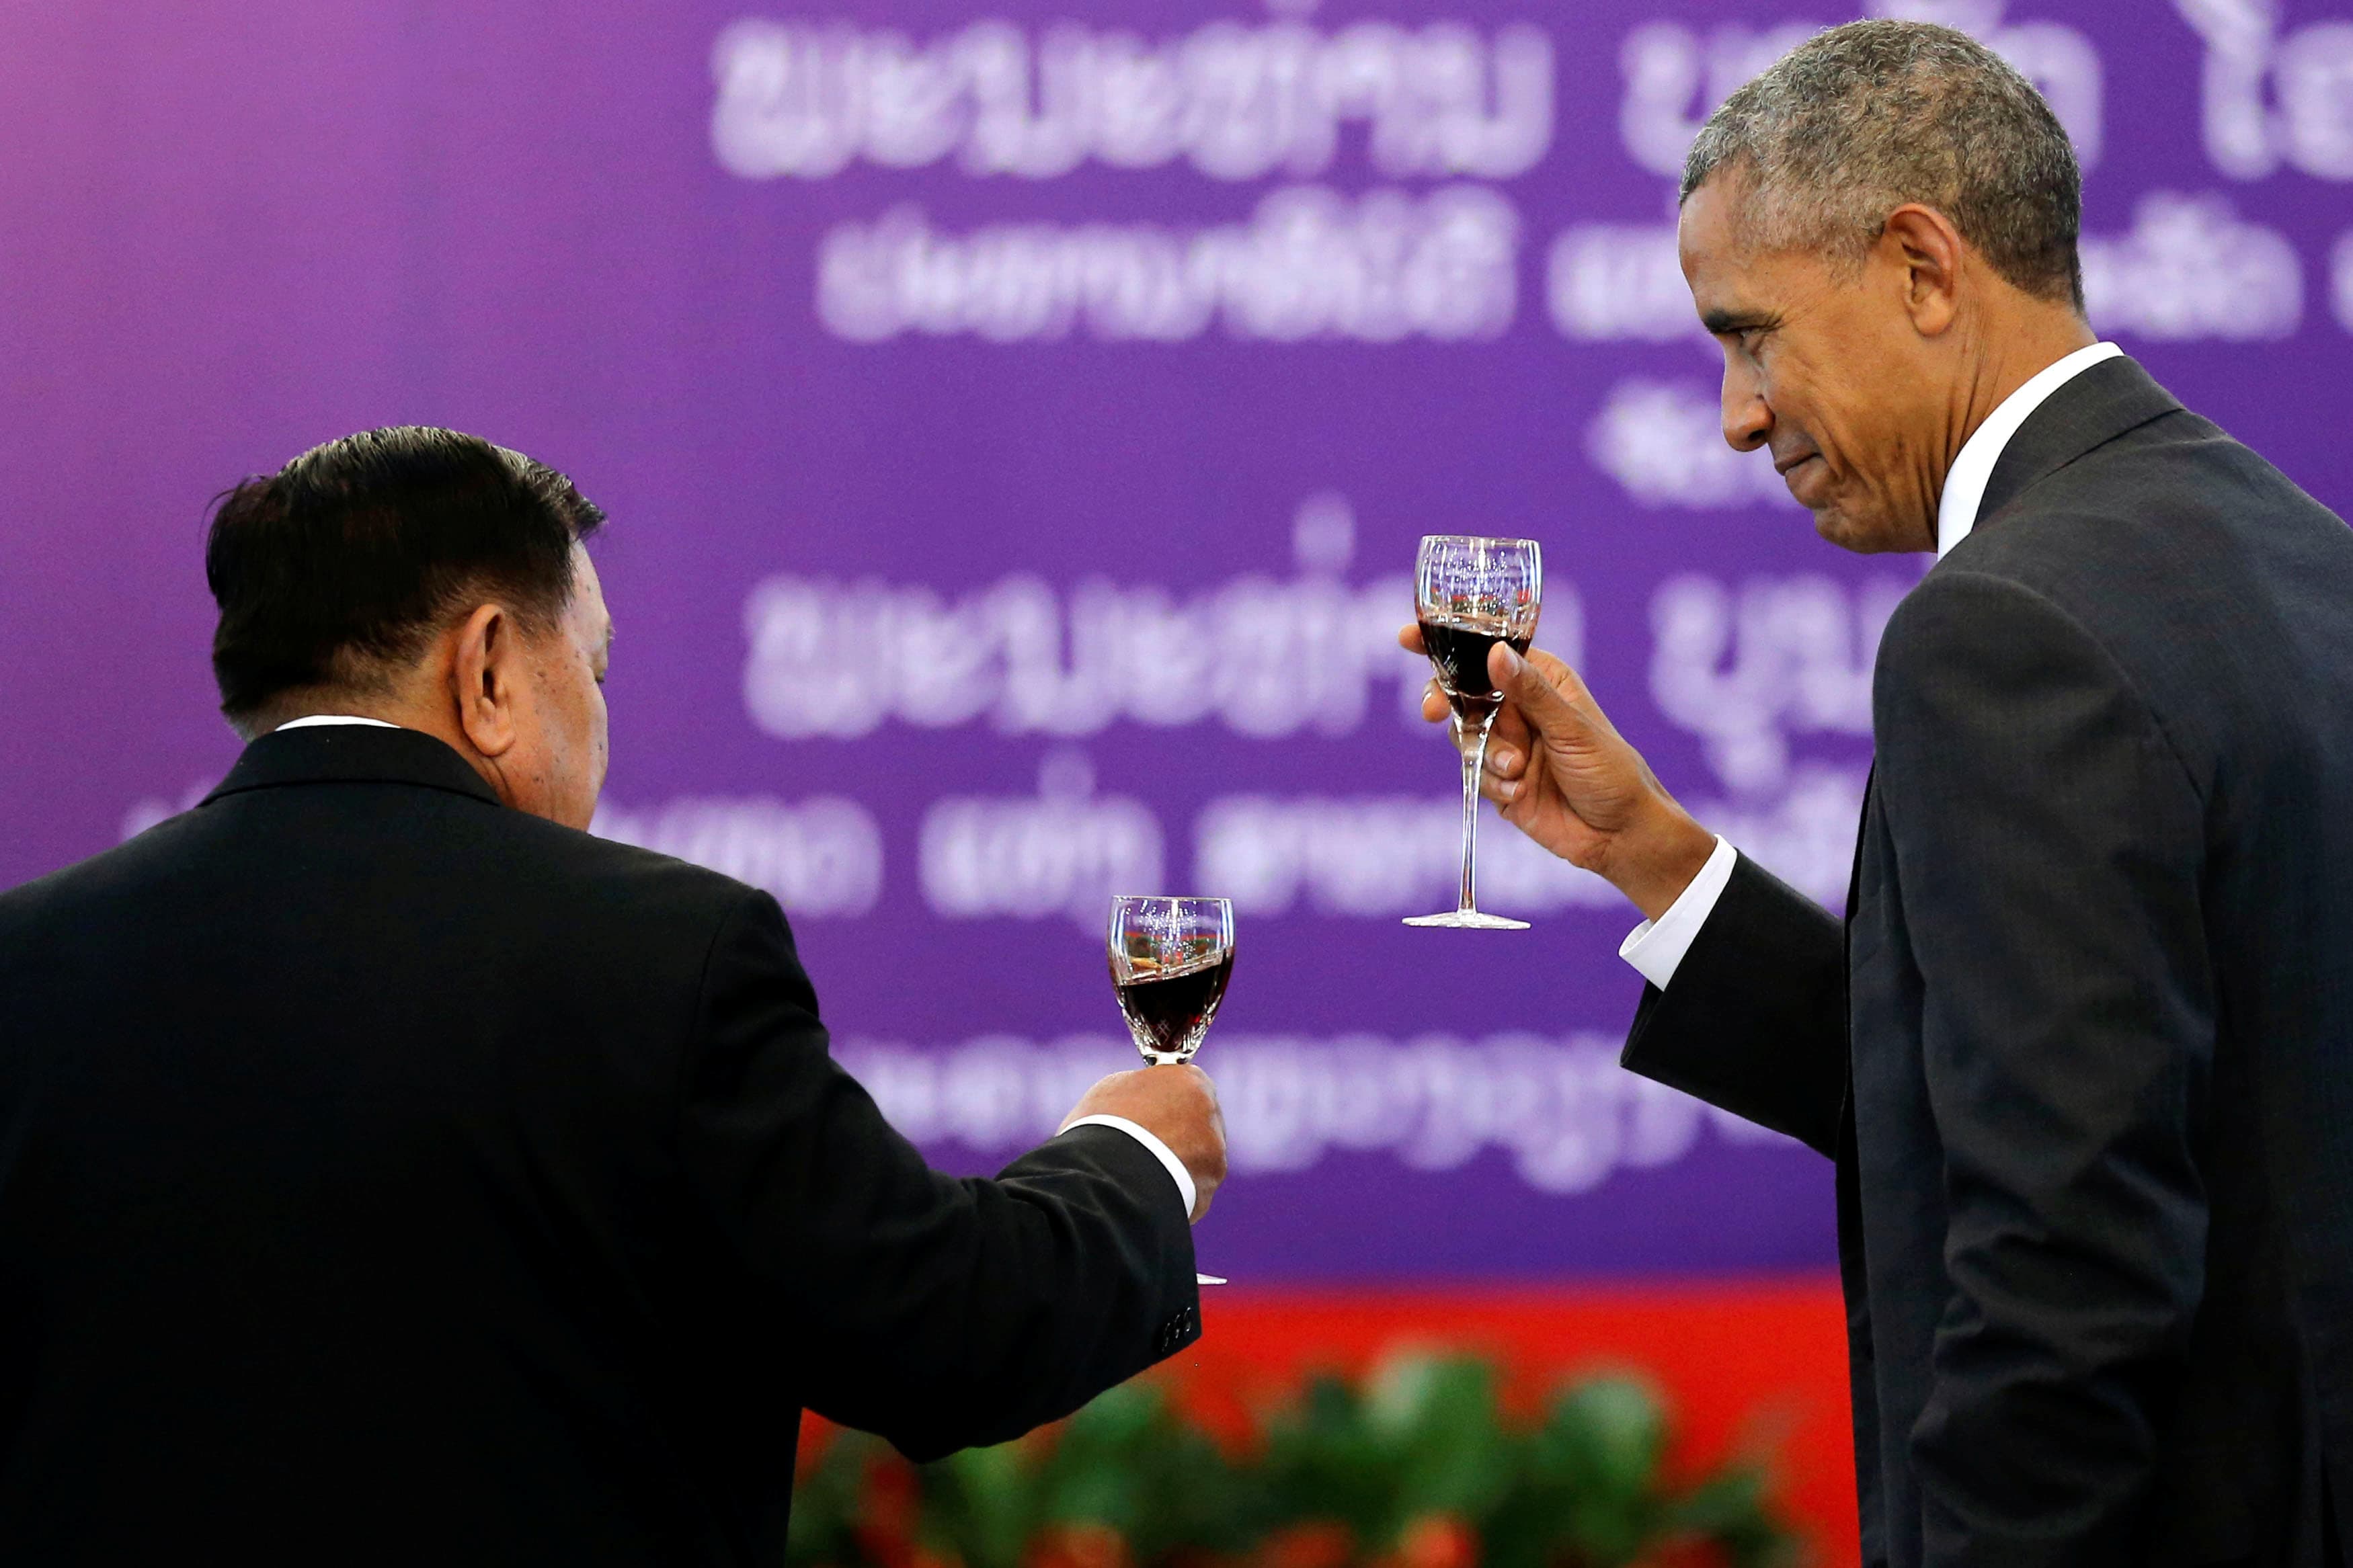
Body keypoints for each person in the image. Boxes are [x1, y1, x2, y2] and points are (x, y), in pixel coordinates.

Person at [1407, 20, 2353, 1568]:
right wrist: (1658, 862)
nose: (1734, 411)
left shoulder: (2003, 624)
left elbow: (2066, 1261)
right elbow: (2104, 1107)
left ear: (1921, 266)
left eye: (1750, 332)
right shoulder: (2304, 557)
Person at [0, 427, 1228, 1564]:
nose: (600, 718)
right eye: (591, 667)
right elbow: (945, 1330)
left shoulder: (28, 960)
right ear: (486, 668)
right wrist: (1134, 1157)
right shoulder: (662, 954)